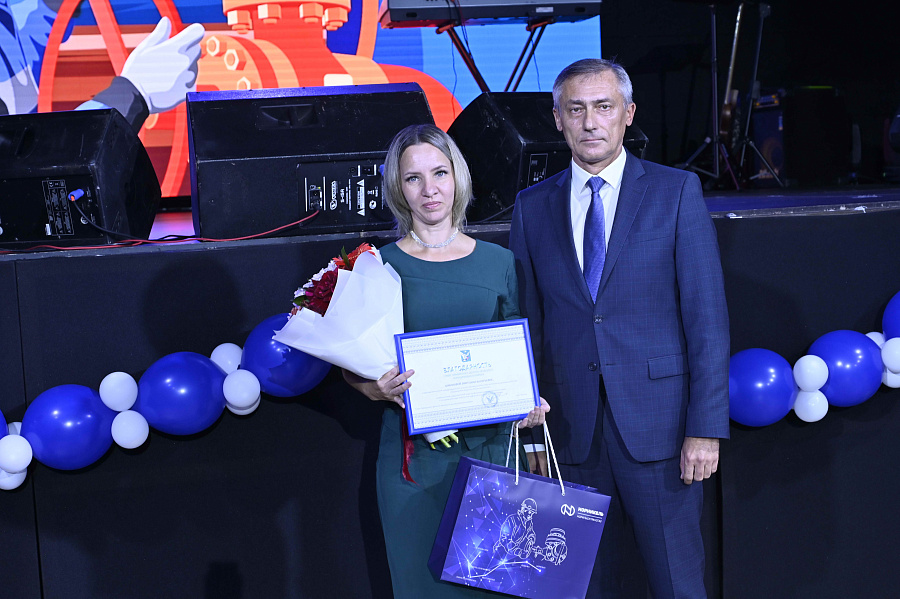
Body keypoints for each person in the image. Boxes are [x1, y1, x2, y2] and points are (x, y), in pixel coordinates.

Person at [508, 58, 730, 598]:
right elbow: (525, 324)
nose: (590, 122)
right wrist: (529, 430)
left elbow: (707, 319)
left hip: (662, 432)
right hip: (569, 435)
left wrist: (705, 428)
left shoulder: (676, 192)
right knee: (581, 587)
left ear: (628, 114)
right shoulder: (532, 208)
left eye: (603, 107)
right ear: (557, 119)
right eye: (576, 109)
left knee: (677, 584)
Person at [343, 123, 550, 599]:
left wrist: (530, 405)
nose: (429, 189)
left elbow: (516, 355)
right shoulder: (378, 265)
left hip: (493, 454)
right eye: (413, 178)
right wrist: (375, 388)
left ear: (458, 176)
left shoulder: (499, 262)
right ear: (398, 188)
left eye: (439, 173)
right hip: (413, 462)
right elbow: (350, 366)